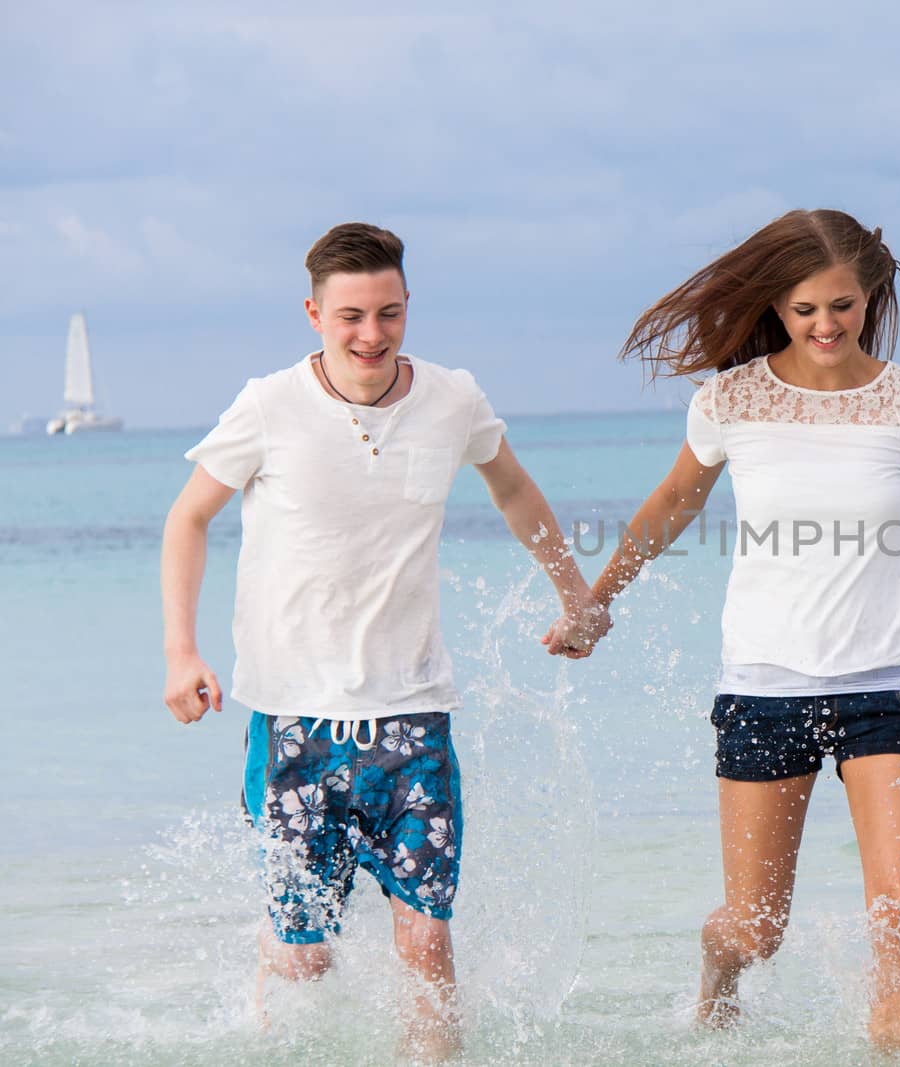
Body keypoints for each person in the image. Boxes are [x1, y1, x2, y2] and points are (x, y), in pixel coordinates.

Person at [562, 209, 900, 1052]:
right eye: (806, 307)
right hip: (762, 689)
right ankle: (719, 978)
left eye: (842, 306)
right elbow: (672, 506)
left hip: (887, 687)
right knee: (754, 928)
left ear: (870, 296)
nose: (825, 325)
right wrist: (598, 600)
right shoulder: (730, 400)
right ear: (777, 303)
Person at [161, 222, 609, 1060]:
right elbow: (188, 517)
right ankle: (270, 991)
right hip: (297, 721)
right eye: (352, 317)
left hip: (413, 717)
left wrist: (575, 594)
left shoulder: (452, 399)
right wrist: (181, 653)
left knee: (428, 946)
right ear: (314, 313)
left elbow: (514, 490)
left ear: (408, 308)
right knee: (305, 960)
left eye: (390, 313)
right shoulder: (268, 406)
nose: (372, 334)